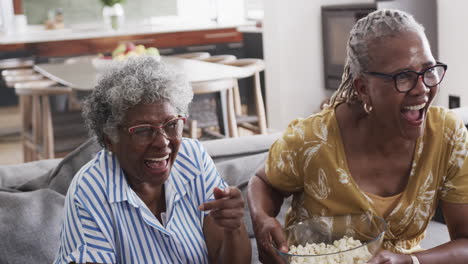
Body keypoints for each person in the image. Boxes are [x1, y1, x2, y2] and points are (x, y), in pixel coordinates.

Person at [248, 9, 468, 264]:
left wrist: (410, 261)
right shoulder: (312, 139)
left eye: (428, 70)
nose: (422, 88)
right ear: (363, 88)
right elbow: (263, 180)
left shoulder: (446, 136)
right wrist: (261, 218)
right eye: (403, 77)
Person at [54, 56, 251, 263]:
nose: (162, 142)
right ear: (110, 139)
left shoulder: (192, 158)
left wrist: (233, 227)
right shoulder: (90, 190)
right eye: (143, 131)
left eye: (171, 124)